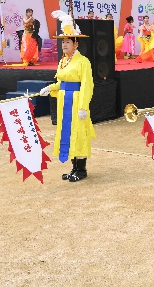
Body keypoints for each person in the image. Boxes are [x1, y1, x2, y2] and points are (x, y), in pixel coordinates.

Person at [39, 10, 96, 182]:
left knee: (78, 133)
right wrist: (51, 87)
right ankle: (73, 167)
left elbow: (87, 85)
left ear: (75, 43)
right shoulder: (63, 61)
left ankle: (81, 169)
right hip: (64, 101)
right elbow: (61, 82)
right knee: (67, 133)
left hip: (77, 100)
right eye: (63, 41)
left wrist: (83, 107)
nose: (64, 44)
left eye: (67, 41)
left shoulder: (83, 61)